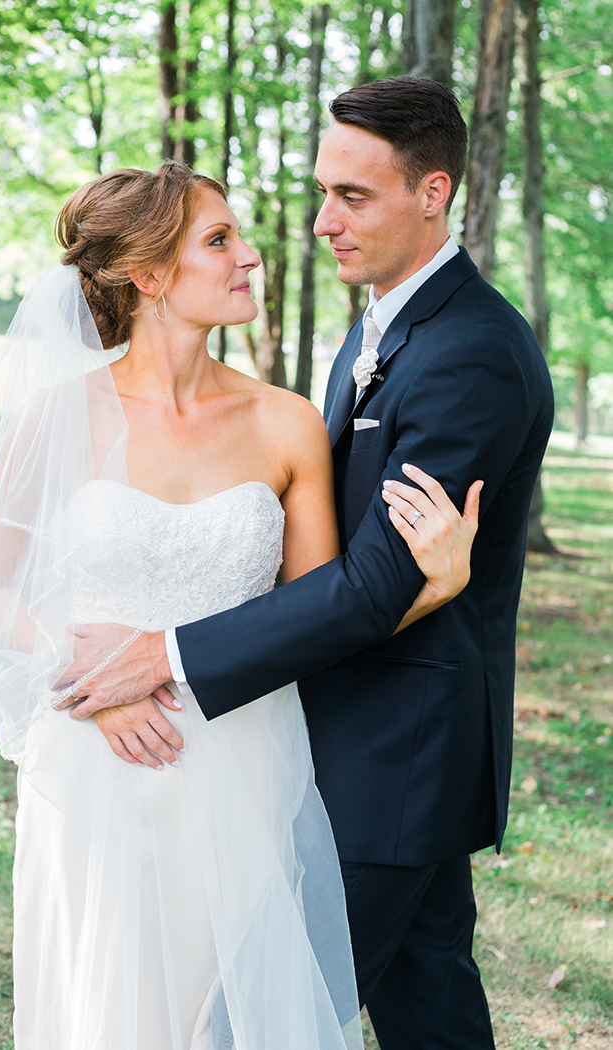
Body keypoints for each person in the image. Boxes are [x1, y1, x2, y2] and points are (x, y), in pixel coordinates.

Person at [61, 78, 555, 1050]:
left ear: (432, 192)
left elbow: (380, 580)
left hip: (391, 756)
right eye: (323, 191)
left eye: (353, 197)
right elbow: (334, 559)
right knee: (431, 1012)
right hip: (356, 737)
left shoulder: (469, 353)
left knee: (247, 1028)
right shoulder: (375, 328)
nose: (323, 220)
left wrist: (166, 653)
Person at [0, 160, 479, 1050]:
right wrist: (97, 679)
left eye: (238, 235)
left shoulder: (285, 423)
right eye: (220, 240)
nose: (251, 256)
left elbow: (319, 612)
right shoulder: (56, 415)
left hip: (245, 762)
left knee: (219, 1020)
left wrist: (437, 583)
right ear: (149, 275)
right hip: (96, 760)